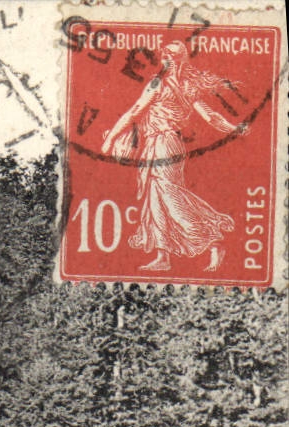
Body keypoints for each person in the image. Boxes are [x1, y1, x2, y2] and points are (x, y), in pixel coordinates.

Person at [100, 42, 247, 272]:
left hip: (164, 143)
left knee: (169, 195)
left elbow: (134, 112)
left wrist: (110, 139)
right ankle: (163, 256)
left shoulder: (161, 84)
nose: (165, 58)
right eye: (165, 55)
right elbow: (211, 117)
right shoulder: (187, 87)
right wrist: (233, 128)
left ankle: (212, 240)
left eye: (170, 55)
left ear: (178, 59)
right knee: (156, 197)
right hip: (167, 144)